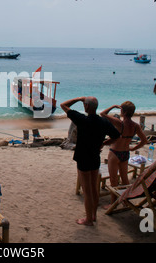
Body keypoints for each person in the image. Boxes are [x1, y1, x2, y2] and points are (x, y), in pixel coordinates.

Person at [61, 96, 120, 226]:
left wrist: (80, 98)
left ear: (86, 107)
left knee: (87, 191)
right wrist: (104, 143)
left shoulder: (82, 119)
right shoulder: (103, 122)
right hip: (94, 157)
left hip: (83, 157)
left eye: (85, 104)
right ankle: (93, 216)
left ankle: (88, 220)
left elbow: (64, 105)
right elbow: (116, 136)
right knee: (94, 188)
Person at [100, 101, 148, 207]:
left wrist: (112, 106)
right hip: (125, 153)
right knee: (125, 179)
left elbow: (103, 114)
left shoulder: (119, 123)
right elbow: (144, 141)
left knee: (114, 180)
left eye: (121, 110)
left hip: (115, 153)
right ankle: (126, 201)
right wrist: (133, 148)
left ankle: (113, 203)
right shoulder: (135, 126)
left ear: (124, 112)